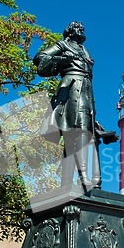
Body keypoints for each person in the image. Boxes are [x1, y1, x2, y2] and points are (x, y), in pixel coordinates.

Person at [33, 21, 101, 189]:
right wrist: (62, 58)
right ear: (71, 31)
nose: (82, 30)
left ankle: (70, 181)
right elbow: (40, 57)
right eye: (79, 28)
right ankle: (83, 175)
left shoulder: (84, 50)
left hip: (86, 89)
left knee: (85, 133)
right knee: (77, 132)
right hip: (72, 88)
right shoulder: (62, 44)